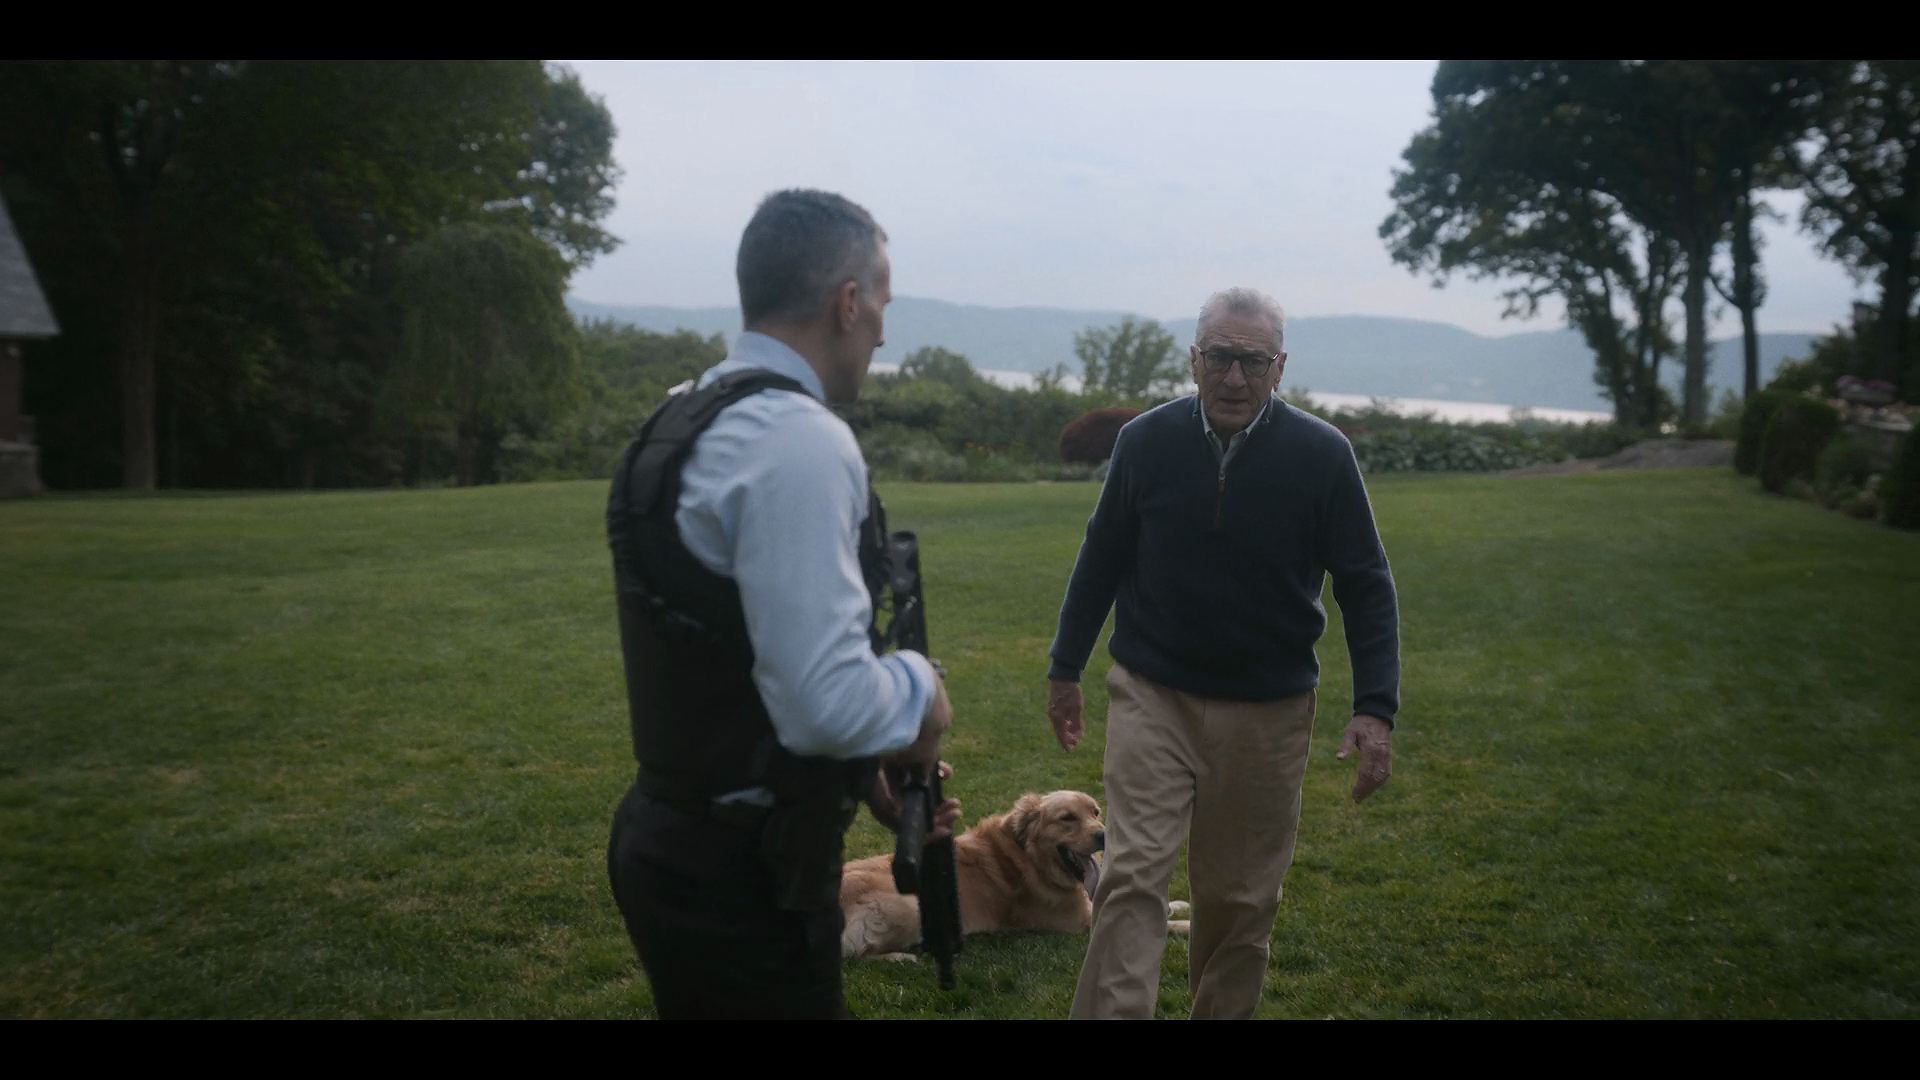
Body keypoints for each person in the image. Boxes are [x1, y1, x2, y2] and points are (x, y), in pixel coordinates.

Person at [605, 189, 956, 1019]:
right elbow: (822, 704)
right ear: (848, 303)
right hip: (744, 877)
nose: (882, 333)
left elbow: (735, 645)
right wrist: (921, 691)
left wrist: (863, 776)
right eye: (881, 306)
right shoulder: (795, 438)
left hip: (673, 834)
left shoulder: (682, 415)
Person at [1046, 287, 1401, 1020]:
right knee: (1132, 876)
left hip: (1269, 709)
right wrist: (1065, 668)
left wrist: (1375, 708)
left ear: (1279, 367)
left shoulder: (1322, 455)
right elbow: (1102, 555)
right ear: (1194, 359)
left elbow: (1365, 583)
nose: (1235, 377)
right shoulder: (1145, 441)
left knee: (1239, 898)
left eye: (1253, 361)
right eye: (1220, 357)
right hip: (1153, 691)